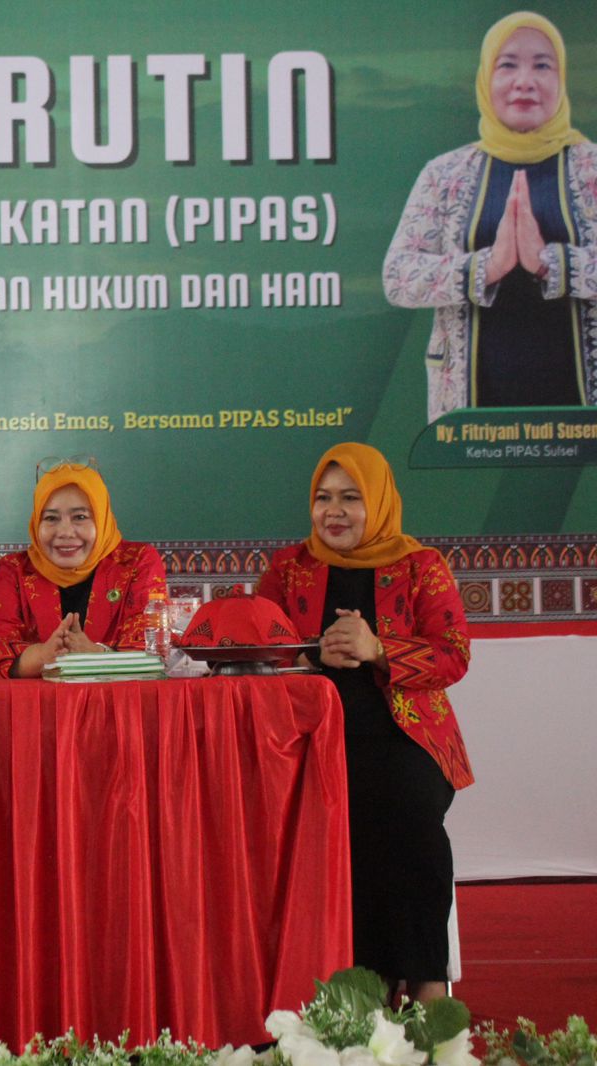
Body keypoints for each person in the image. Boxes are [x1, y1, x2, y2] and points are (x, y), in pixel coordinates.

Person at [256, 442, 473, 1004]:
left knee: (409, 815)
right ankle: (359, 983)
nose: (334, 511)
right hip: (307, 739)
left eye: (350, 498)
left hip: (407, 736)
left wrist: (379, 649)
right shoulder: (288, 569)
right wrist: (310, 656)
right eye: (324, 498)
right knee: (308, 818)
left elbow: (453, 655)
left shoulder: (420, 566)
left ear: (376, 502)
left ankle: (425, 979)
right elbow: (259, 648)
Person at [383, 11, 596, 420]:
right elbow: (398, 277)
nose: (525, 81)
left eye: (542, 66)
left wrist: (550, 263)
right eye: (508, 65)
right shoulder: (445, 173)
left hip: (584, 422)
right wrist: (486, 267)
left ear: (561, 79)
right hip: (471, 419)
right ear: (485, 78)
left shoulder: (592, 169)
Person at [0, 461, 167, 677]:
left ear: (102, 518)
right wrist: (43, 656)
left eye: (80, 517)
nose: (65, 532)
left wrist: (95, 654)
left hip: (117, 698)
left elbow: (153, 651)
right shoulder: (14, 570)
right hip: (39, 699)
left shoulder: (136, 562)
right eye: (51, 518)